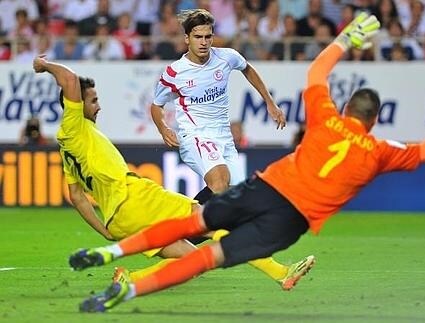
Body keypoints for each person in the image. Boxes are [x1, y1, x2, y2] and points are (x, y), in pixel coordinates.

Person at [69, 13, 425, 312]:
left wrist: (345, 39)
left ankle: (111, 253)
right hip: (288, 221)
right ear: (375, 120)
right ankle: (128, 292)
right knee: (208, 252)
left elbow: (315, 74)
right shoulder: (379, 151)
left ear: (345, 107)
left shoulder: (324, 117)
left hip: (267, 185)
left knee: (196, 220)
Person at [31, 54, 313, 290]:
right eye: (93, 101)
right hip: (136, 199)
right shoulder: (74, 126)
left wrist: (107, 231)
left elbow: (77, 197)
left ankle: (128, 280)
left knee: (197, 261)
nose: (99, 105)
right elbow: (69, 80)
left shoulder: (67, 148)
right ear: (75, 104)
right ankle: (280, 272)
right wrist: (43, 64)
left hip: (120, 219)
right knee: (213, 222)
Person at [150, 9, 285, 204]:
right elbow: (156, 106)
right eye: (198, 37)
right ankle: (184, 224)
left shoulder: (226, 57)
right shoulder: (175, 72)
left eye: (208, 36)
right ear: (187, 38)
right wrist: (163, 128)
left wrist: (269, 102)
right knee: (220, 180)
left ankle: (184, 232)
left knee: (237, 199)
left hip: (224, 138)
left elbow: (247, 68)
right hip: (195, 135)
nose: (203, 42)